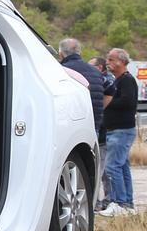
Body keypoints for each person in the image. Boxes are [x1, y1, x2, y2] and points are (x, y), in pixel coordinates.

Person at [100, 47, 139, 216]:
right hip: (117, 130)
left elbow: (127, 102)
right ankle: (127, 203)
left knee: (112, 167)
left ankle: (119, 202)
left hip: (121, 131)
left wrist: (107, 101)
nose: (107, 62)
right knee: (122, 167)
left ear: (121, 62)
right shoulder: (118, 80)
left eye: (111, 59)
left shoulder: (126, 81)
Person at [58, 38, 105, 138]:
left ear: (61, 54)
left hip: (69, 127)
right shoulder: (96, 72)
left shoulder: (61, 70)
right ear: (80, 52)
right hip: (93, 125)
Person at [90, 56, 114, 206]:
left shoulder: (105, 82)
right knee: (104, 171)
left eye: (91, 66)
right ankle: (107, 199)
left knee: (101, 170)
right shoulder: (107, 81)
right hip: (104, 132)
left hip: (103, 133)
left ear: (99, 68)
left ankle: (100, 201)